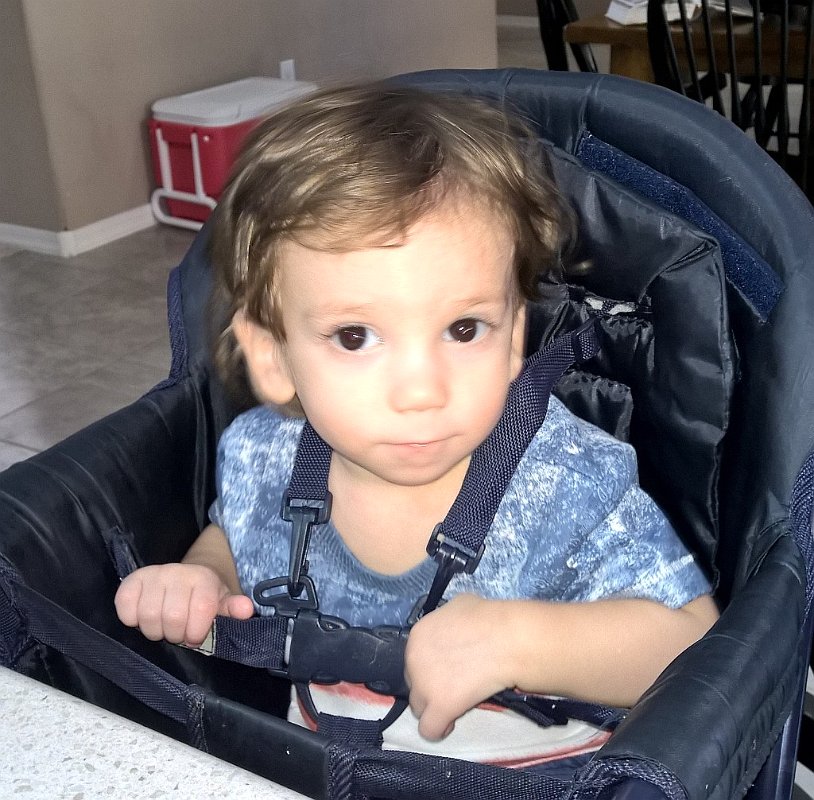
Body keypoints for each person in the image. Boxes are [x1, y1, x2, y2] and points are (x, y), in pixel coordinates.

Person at [115, 83, 719, 772]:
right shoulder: (267, 460)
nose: (422, 391)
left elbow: (695, 645)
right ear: (273, 357)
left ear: (514, 338)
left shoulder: (564, 481)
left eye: (464, 329)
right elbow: (239, 535)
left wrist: (523, 642)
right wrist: (201, 576)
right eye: (355, 335)